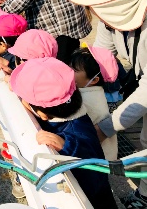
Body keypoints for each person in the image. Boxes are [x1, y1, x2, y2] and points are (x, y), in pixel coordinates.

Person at [62, 0, 147, 208]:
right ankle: (144, 196)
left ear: (116, 4)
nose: (94, 12)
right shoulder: (112, 24)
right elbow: (97, 58)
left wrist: (105, 127)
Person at [10, 57, 117, 208]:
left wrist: (67, 146)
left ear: (43, 115)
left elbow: (95, 174)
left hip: (93, 201)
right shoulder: (69, 112)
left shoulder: (78, 132)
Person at [70, 46, 118, 161]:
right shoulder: (95, 92)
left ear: (94, 80)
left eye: (74, 70)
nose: (68, 71)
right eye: (69, 66)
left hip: (97, 161)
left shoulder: (87, 101)